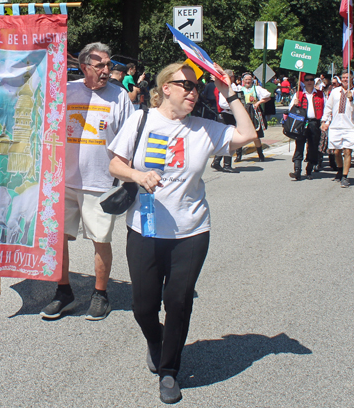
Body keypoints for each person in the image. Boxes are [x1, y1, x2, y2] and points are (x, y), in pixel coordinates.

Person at [108, 62, 256, 404]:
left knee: (178, 301)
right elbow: (115, 163)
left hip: (191, 230)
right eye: (185, 85)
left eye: (197, 87)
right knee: (143, 306)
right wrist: (137, 175)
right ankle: (156, 340)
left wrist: (228, 93)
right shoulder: (141, 120)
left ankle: (170, 371)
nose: (193, 92)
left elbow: (247, 136)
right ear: (166, 88)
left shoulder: (204, 129)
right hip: (144, 227)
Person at [39, 42, 135, 321]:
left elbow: (129, 140)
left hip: (101, 183)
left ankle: (100, 294)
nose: (107, 70)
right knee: (58, 240)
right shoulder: (67, 91)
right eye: (100, 65)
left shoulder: (119, 97)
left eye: (109, 65)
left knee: (100, 240)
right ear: (84, 67)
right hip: (62, 181)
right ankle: (63, 291)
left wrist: (127, 177)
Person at [320, 72, 354, 188]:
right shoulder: (334, 92)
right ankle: (340, 169)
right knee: (336, 151)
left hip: (350, 126)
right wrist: (324, 121)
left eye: (347, 78)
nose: (345, 80)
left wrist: (352, 99)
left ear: (352, 79)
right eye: (343, 78)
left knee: (348, 151)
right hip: (336, 125)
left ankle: (345, 176)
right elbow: (328, 107)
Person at [288, 72, 326, 181]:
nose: (309, 82)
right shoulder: (299, 94)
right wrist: (294, 104)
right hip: (301, 122)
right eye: (307, 80)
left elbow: (326, 108)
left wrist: (324, 121)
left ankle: (309, 169)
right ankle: (297, 170)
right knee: (299, 145)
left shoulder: (320, 93)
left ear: (314, 82)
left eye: (311, 80)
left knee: (313, 146)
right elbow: (291, 109)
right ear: (304, 82)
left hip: (314, 122)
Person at [234, 72, 271, 161]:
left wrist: (258, 103)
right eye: (246, 80)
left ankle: (260, 154)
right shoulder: (239, 89)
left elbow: (268, 96)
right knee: (240, 133)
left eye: (249, 80)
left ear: (252, 81)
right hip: (242, 112)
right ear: (243, 81)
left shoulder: (256, 89)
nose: (248, 81)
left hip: (253, 112)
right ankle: (238, 155)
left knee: (255, 134)